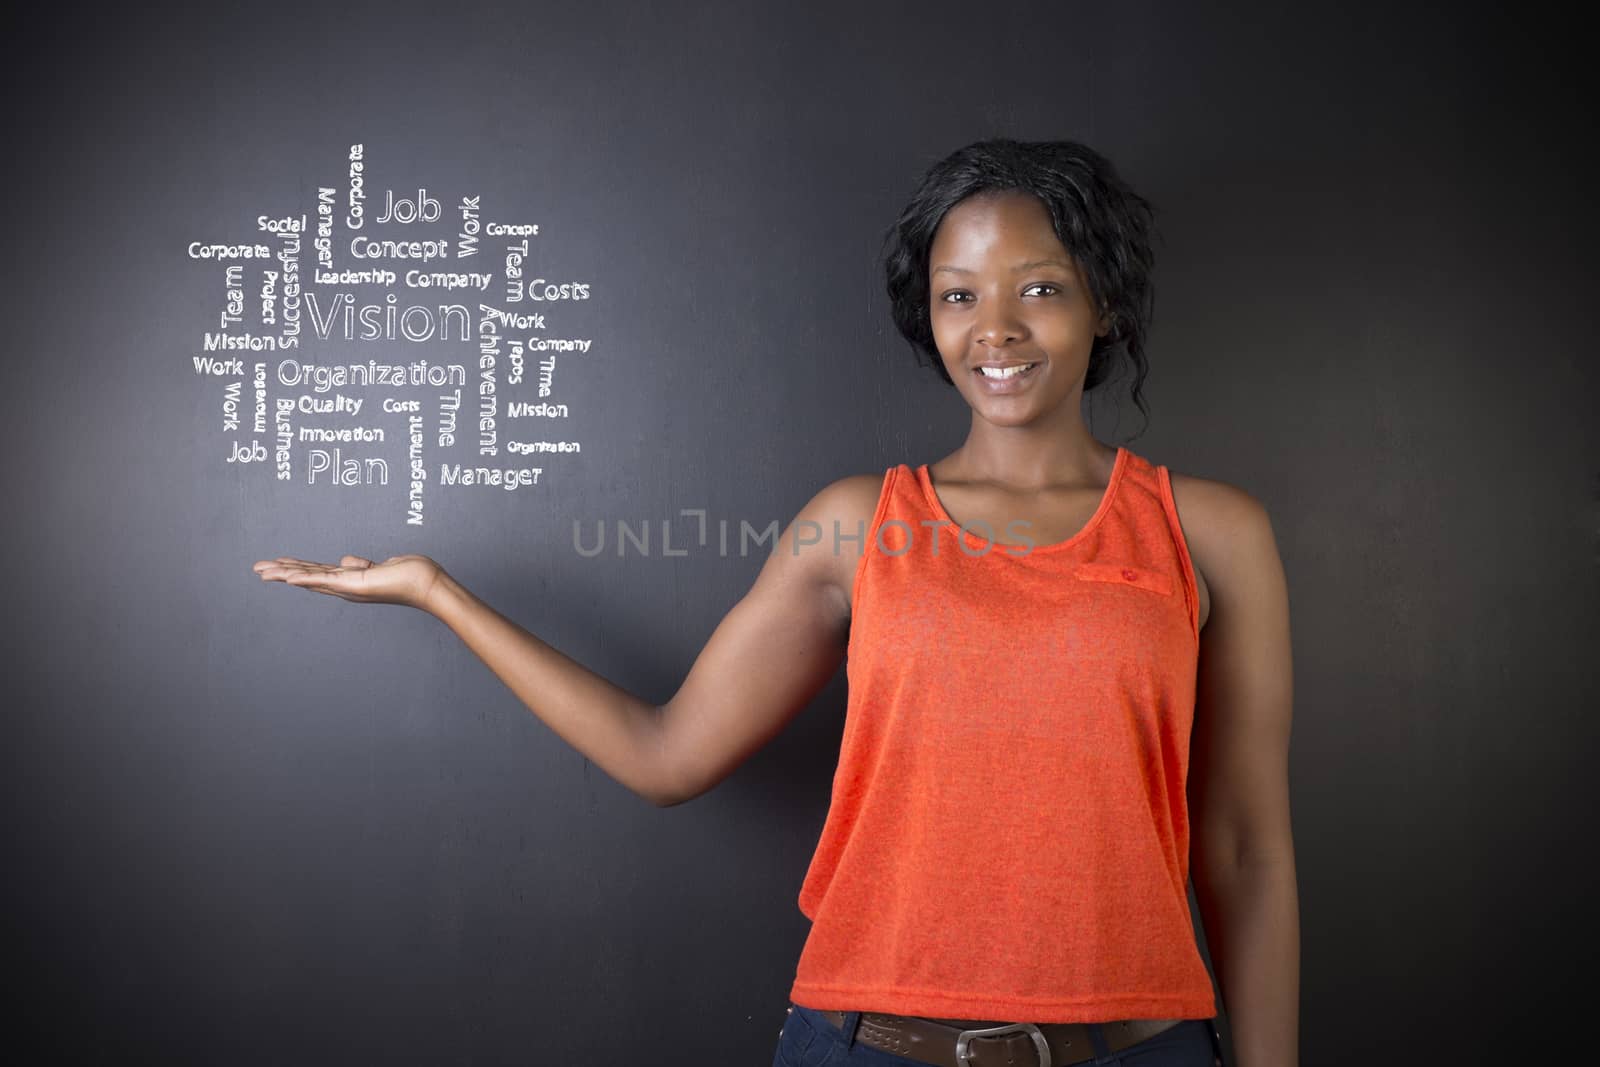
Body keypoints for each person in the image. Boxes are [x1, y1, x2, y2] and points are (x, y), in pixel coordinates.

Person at [253, 138, 1298, 1067]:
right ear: (926, 313)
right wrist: (440, 593)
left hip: (1140, 1046)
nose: (995, 328)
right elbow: (666, 755)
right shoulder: (854, 522)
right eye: (957, 293)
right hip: (867, 1044)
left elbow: (1245, 846)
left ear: (1101, 300)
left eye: (1038, 288)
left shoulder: (1206, 529)